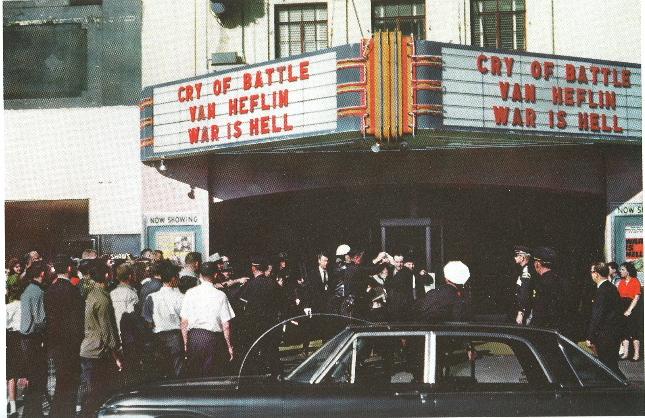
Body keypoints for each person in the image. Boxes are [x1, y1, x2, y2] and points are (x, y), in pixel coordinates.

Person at [79, 262, 123, 418]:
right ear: (106, 275)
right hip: (98, 351)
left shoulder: (91, 295)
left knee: (92, 394)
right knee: (98, 395)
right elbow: (107, 331)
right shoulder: (103, 299)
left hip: (88, 348)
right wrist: (116, 355)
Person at [45, 255, 85, 418]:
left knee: (60, 380)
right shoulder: (73, 290)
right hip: (71, 343)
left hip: (56, 342)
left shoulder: (50, 290)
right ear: (69, 268)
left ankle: (57, 413)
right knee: (71, 381)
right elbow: (78, 320)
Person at [180, 262, 235, 377]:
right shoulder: (220, 295)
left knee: (194, 375)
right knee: (212, 376)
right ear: (215, 275)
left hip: (194, 338)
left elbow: (184, 322)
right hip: (212, 339)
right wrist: (229, 346)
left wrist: (185, 343)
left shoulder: (190, 293)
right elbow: (226, 324)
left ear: (200, 275)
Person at [143, 261, 185, 378]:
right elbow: (185, 320)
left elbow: (147, 321)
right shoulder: (181, 297)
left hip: (158, 338)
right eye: (177, 277)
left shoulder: (151, 297)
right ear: (173, 279)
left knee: (162, 371)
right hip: (176, 337)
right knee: (178, 372)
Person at [19, 260, 48, 418]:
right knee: (39, 377)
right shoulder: (39, 292)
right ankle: (34, 412)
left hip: (24, 338)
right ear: (42, 274)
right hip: (34, 339)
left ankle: (30, 412)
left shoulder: (27, 290)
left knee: (32, 377)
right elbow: (40, 320)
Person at [585, 262, 624, 376]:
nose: (591, 275)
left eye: (592, 272)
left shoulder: (602, 291)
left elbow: (597, 315)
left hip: (605, 335)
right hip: (613, 333)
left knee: (608, 367)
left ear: (596, 274)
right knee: (611, 365)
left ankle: (623, 385)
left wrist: (590, 337)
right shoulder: (611, 288)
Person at [529, 247, 562, 330]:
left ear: (537, 264)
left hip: (543, 328)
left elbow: (540, 311)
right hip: (556, 327)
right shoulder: (559, 280)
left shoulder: (542, 284)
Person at [6, 282, 25, 417]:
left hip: (11, 338)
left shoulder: (9, 307)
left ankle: (12, 406)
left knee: (11, 374)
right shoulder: (24, 305)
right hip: (23, 338)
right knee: (20, 371)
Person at [617, 261, 641, 361]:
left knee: (633, 331)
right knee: (624, 331)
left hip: (632, 308)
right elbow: (618, 296)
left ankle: (636, 354)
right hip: (622, 308)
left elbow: (636, 297)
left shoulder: (635, 281)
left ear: (628, 271)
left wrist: (629, 310)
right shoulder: (621, 282)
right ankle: (626, 353)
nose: (620, 271)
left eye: (623, 269)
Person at [110, 263, 139, 338]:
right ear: (130, 276)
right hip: (128, 335)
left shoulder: (111, 293)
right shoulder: (132, 294)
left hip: (115, 333)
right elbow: (133, 317)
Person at [513, 245, 534, 326]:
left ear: (522, 257)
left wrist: (521, 312)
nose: (514, 257)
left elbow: (524, 292)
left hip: (525, 311)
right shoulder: (523, 270)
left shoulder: (526, 272)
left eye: (516, 255)